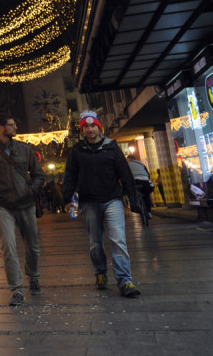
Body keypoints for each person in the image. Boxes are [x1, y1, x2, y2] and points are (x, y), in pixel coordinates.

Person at [63, 111, 142, 298]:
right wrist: (68, 199)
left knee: (118, 239)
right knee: (95, 243)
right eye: (86, 127)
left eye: (93, 126)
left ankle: (125, 281)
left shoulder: (111, 147)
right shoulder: (78, 151)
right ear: (82, 130)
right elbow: (70, 176)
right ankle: (100, 273)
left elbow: (125, 174)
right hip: (89, 202)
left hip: (112, 200)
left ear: (99, 127)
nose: (90, 129)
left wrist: (133, 199)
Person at [0, 113, 45, 306]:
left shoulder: (25, 148)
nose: (15, 127)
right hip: (3, 205)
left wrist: (31, 192)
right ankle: (17, 289)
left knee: (32, 245)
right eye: (11, 124)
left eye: (15, 124)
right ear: (0, 127)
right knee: (8, 247)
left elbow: (39, 174)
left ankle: (33, 276)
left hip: (26, 203)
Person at [127, 154, 154, 220]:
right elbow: (147, 174)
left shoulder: (127, 164)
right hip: (145, 180)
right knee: (147, 195)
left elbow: (126, 175)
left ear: (128, 159)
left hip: (134, 181)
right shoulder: (141, 164)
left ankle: (135, 206)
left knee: (132, 192)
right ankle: (149, 212)